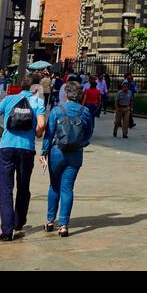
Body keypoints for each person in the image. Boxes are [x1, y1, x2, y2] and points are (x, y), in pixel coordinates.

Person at [0, 82, 47, 241]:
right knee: (23, 186)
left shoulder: (8, 99)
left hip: (5, 148)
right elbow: (41, 124)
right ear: (35, 90)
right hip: (26, 149)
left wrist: (0, 130)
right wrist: (37, 134)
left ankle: (7, 230)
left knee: (5, 191)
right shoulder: (37, 102)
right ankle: (19, 222)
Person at [41, 79, 95, 237]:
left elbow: (49, 133)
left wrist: (44, 151)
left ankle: (50, 220)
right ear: (80, 95)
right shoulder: (84, 112)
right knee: (67, 188)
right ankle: (63, 225)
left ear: (65, 94)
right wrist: (81, 144)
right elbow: (89, 133)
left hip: (57, 152)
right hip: (75, 154)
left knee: (54, 186)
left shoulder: (57, 110)